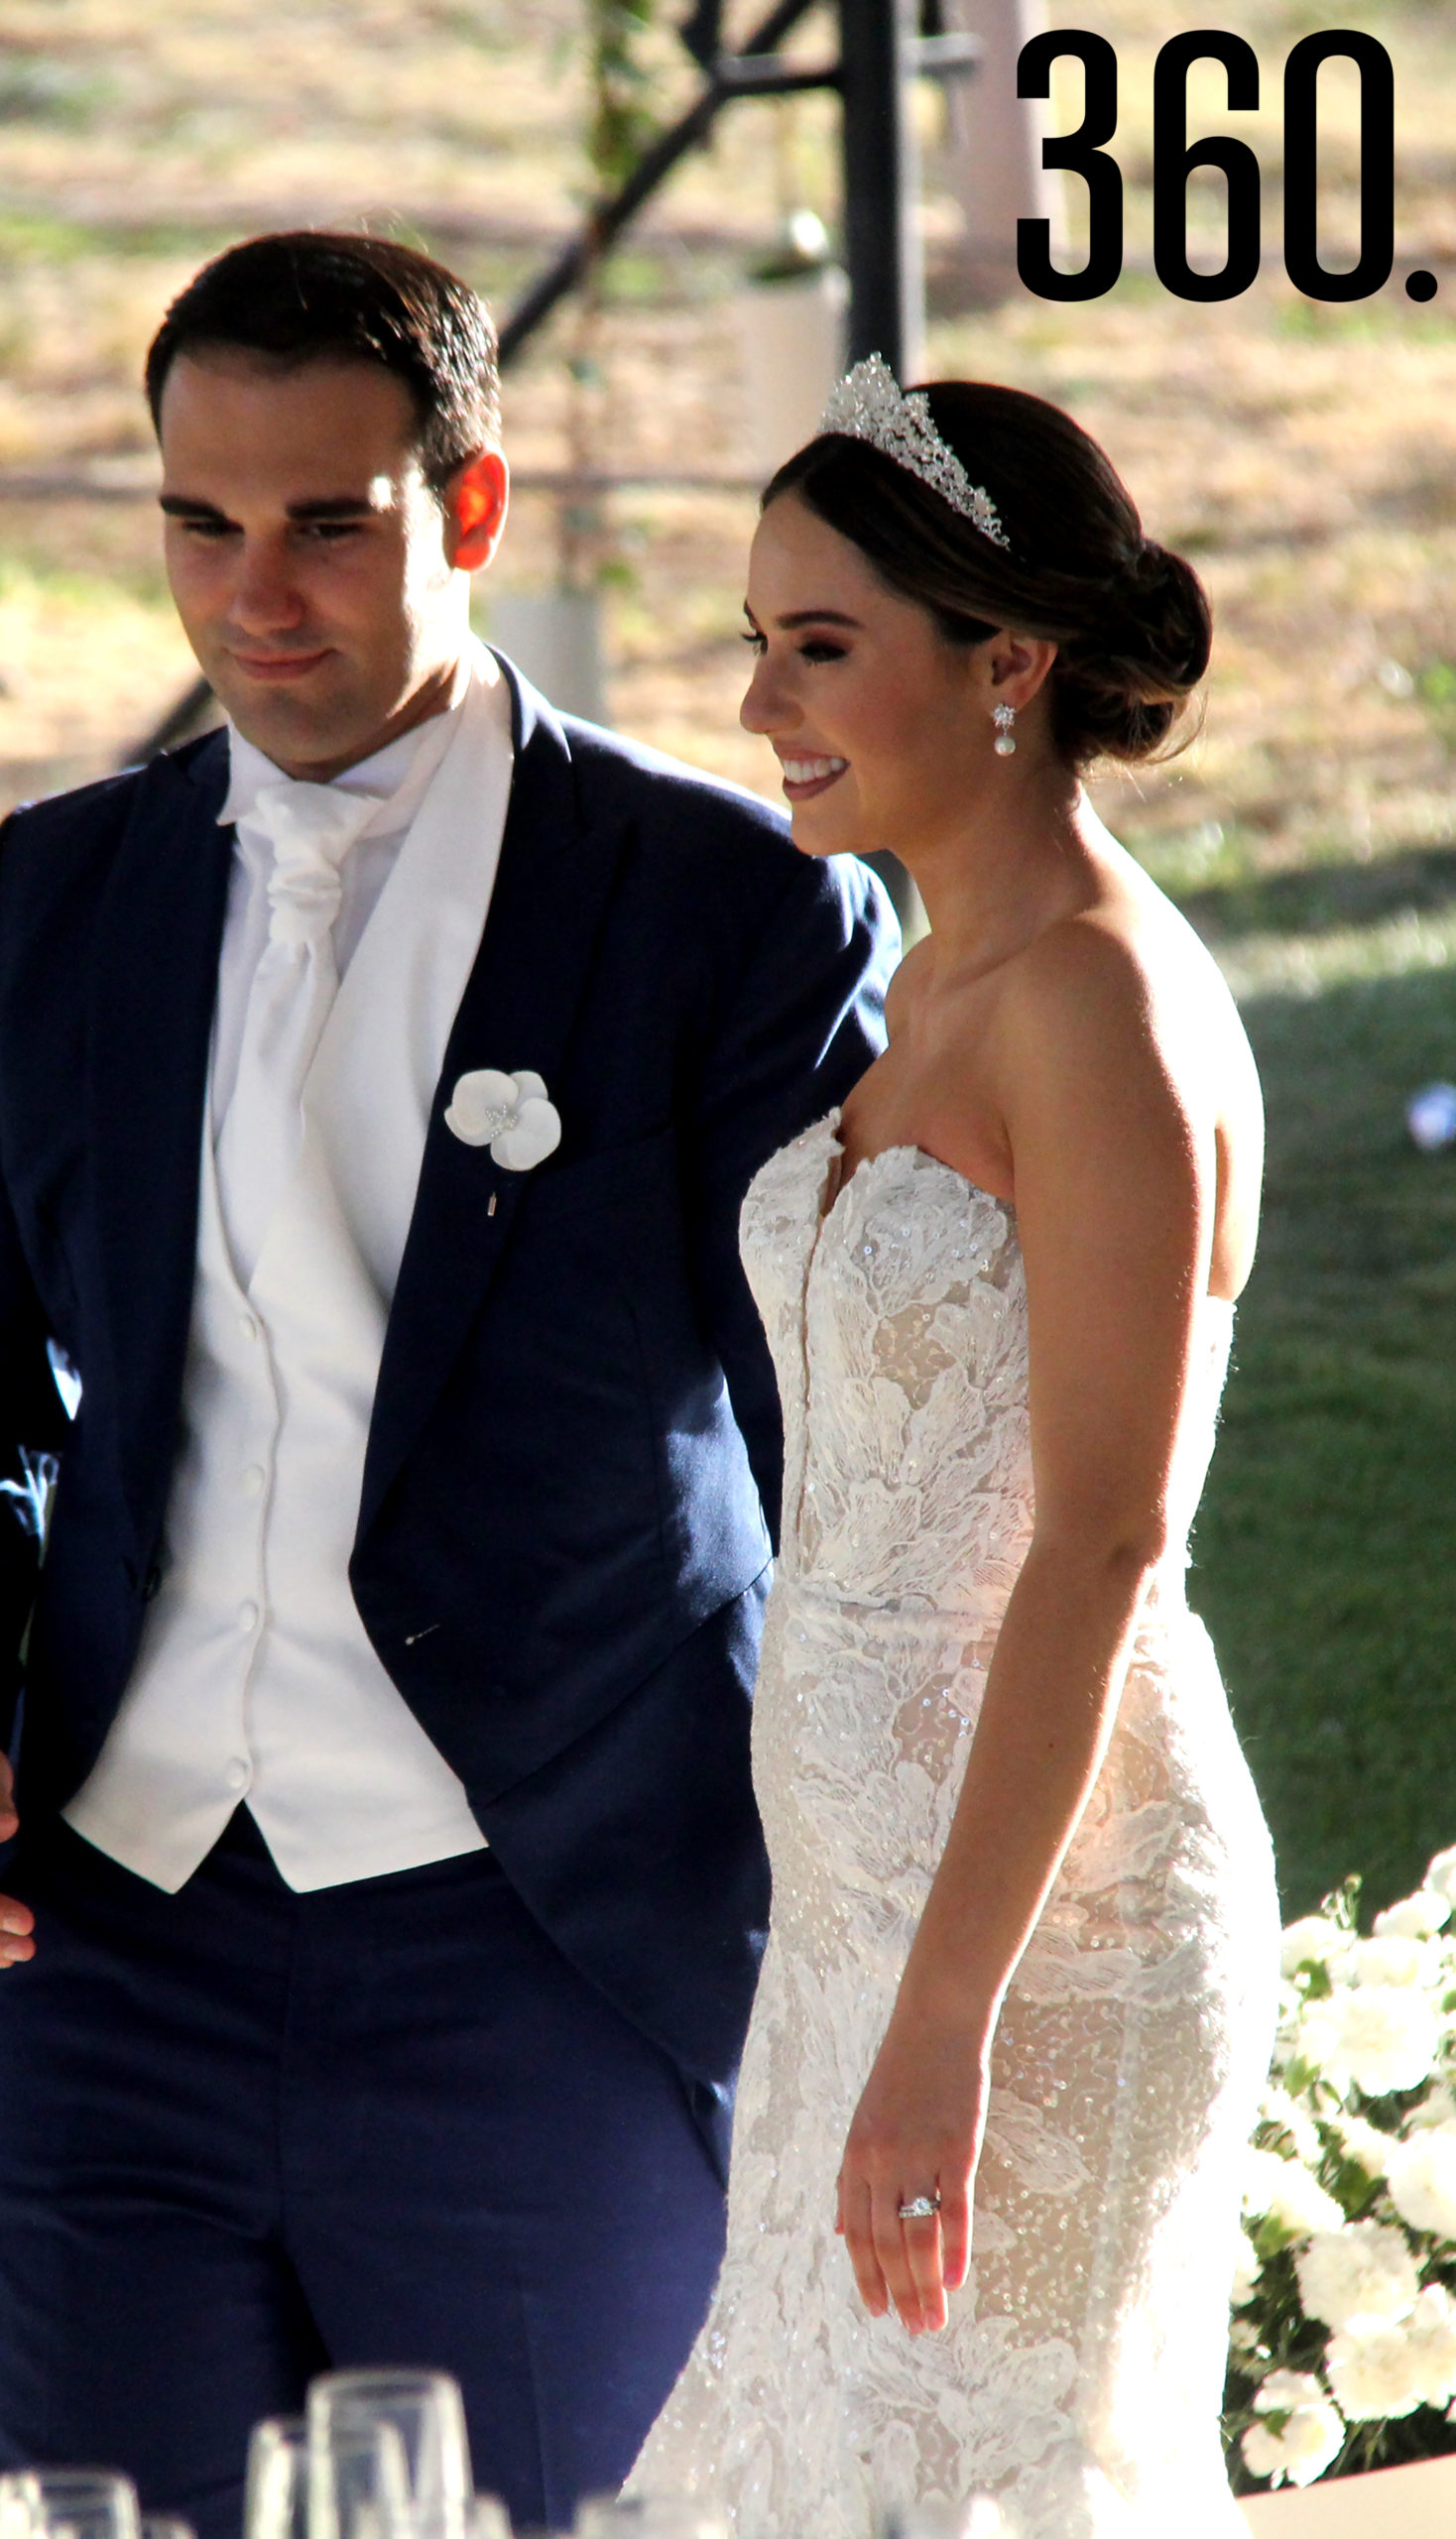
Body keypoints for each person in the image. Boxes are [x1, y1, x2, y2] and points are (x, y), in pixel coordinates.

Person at [0, 235, 896, 2539]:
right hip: (99, 1957)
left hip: (537, 1948)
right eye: (198, 525)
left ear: (475, 506)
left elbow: (869, 1469)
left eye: (329, 520)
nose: (256, 593)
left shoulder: (727, 912)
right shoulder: (59, 893)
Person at [629, 362, 1279, 2537]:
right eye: (754, 639)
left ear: (1006, 659)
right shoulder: (931, 981)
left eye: (818, 646)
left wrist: (942, 2024)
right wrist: (873, 1985)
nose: (758, 703)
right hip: (858, 1929)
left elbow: (1100, 1540)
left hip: (1041, 1945)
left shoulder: (1092, 996)